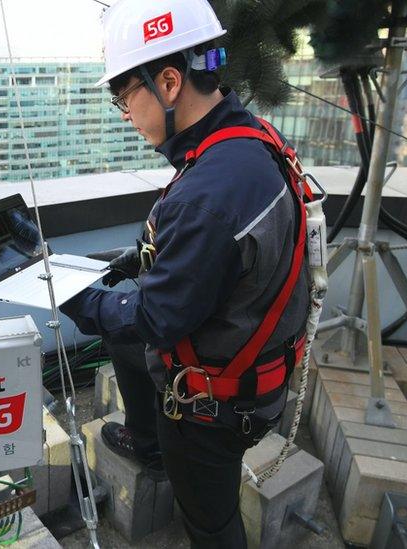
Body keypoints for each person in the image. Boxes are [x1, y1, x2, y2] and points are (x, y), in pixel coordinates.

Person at [60, 0, 312, 546]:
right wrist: (130, 263)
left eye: (124, 95)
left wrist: (71, 296)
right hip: (256, 367)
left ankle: (169, 454)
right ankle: (148, 442)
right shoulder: (247, 142)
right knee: (126, 350)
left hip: (211, 408)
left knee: (210, 519)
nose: (125, 112)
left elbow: (155, 318)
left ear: (169, 82)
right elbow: (217, 258)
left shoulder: (209, 193)